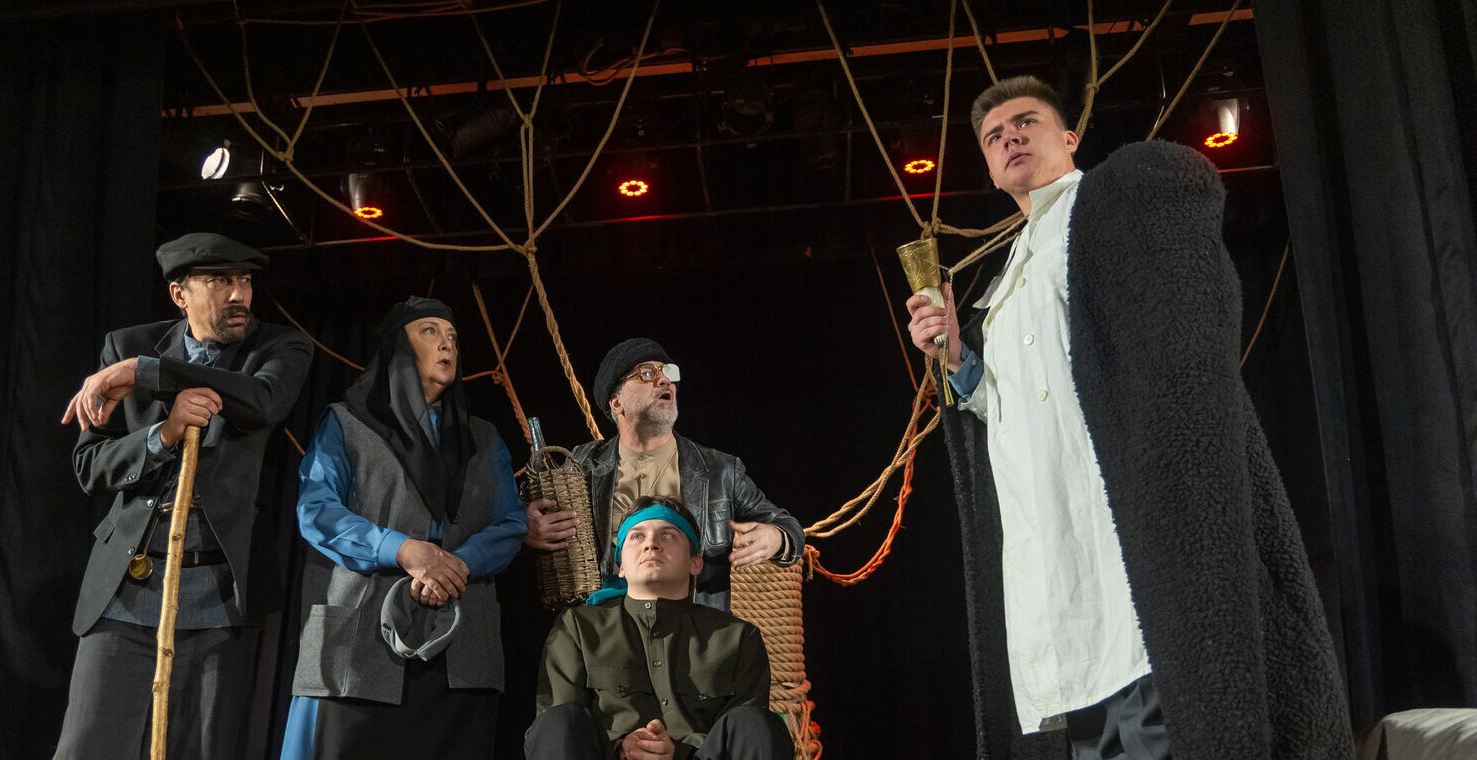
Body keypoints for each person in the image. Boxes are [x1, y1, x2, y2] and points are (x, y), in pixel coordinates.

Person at [905, 76, 1348, 759]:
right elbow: (1020, 407)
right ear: (990, 169)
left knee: (1164, 720)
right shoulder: (1010, 272)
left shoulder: (1106, 213)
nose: (1010, 137)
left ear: (1069, 137)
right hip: (1059, 570)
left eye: (1026, 122)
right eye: (994, 137)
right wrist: (960, 361)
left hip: (1127, 544)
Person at [54, 232, 313, 759]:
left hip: (217, 596)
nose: (238, 294)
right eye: (219, 281)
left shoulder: (279, 348)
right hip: (127, 588)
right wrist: (163, 434)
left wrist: (147, 374)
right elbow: (90, 466)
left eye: (244, 281)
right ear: (180, 294)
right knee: (89, 747)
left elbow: (262, 401)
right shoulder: (126, 345)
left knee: (200, 749)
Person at [281, 296, 527, 760]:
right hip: (359, 647)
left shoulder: (483, 437)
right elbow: (318, 511)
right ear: (398, 346)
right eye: (430, 332)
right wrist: (404, 550)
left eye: (452, 336)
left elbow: (511, 521)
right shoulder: (347, 423)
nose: (447, 345)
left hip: (460, 651)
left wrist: (455, 566)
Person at [524, 338, 803, 612]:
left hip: (692, 629)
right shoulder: (583, 464)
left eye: (668, 372)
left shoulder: (720, 470)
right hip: (608, 626)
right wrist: (528, 526)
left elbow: (787, 526)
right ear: (616, 402)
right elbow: (534, 511)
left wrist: (777, 538)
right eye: (647, 374)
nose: (665, 381)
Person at [528, 497, 792, 760]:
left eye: (668, 535)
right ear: (621, 567)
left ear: (695, 563)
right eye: (636, 536)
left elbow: (746, 739)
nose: (651, 543)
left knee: (756, 722)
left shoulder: (738, 637)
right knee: (558, 721)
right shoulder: (578, 627)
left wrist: (678, 752)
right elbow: (558, 729)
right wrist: (620, 747)